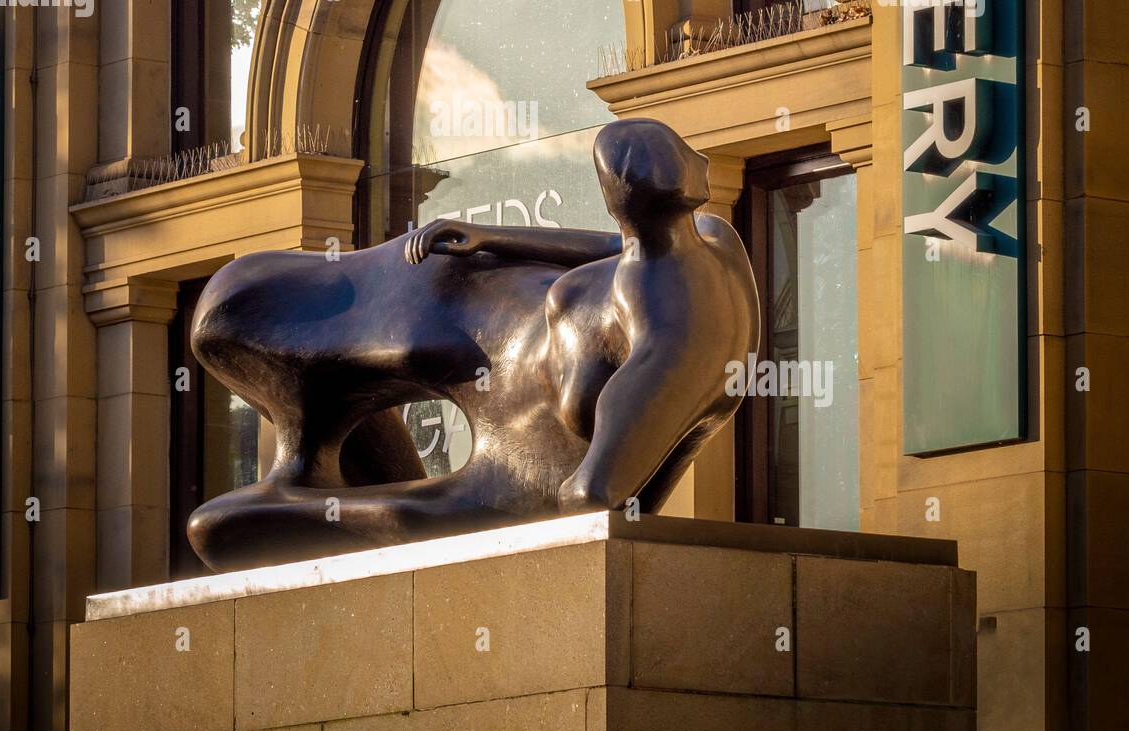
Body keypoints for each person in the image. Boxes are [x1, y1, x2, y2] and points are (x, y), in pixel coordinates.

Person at [187, 118, 759, 571]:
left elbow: (591, 495)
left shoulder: (665, 348)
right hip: (489, 335)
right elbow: (617, 244)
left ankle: (298, 479)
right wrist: (496, 235)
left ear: (615, 196)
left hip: (515, 485)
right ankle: (310, 439)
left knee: (216, 528)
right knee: (246, 305)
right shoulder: (711, 240)